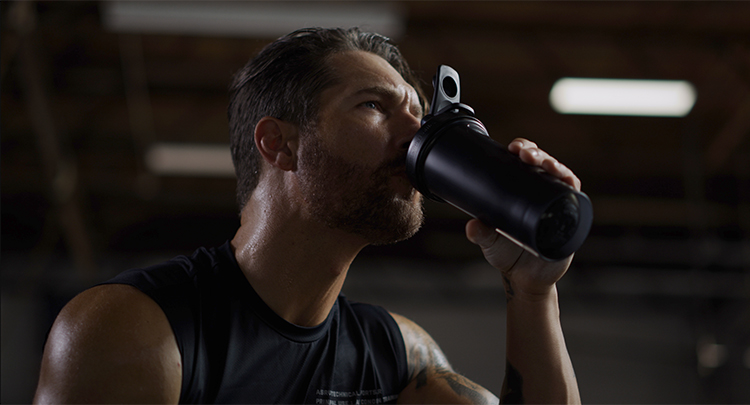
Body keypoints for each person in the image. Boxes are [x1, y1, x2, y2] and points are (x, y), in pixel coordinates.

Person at [33, 27, 581, 404]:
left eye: (418, 112)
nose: (417, 135)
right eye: (374, 105)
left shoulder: (395, 355)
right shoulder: (137, 329)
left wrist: (533, 292)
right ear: (280, 145)